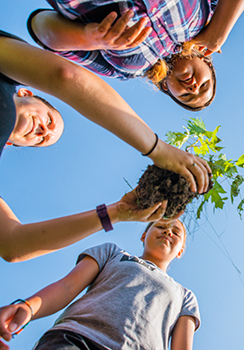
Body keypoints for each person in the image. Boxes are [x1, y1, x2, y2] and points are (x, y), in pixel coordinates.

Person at [0, 29, 210, 262]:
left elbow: (12, 244)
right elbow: (66, 76)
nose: (44, 130)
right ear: (26, 92)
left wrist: (117, 212)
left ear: (8, 142)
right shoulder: (7, 72)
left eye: (42, 140)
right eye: (50, 120)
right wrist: (157, 149)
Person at [0, 220, 199, 350]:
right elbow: (67, 286)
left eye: (176, 232)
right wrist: (27, 306)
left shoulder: (185, 295)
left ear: (180, 251)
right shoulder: (113, 253)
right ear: (143, 236)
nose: (168, 231)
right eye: (161, 226)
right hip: (76, 339)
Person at [27, 0, 244, 111]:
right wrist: (219, 32)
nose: (193, 88)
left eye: (187, 96)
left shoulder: (125, 70)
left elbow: (40, 28)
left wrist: (89, 38)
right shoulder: (206, 17)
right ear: (206, 61)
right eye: (204, 85)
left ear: (166, 88)